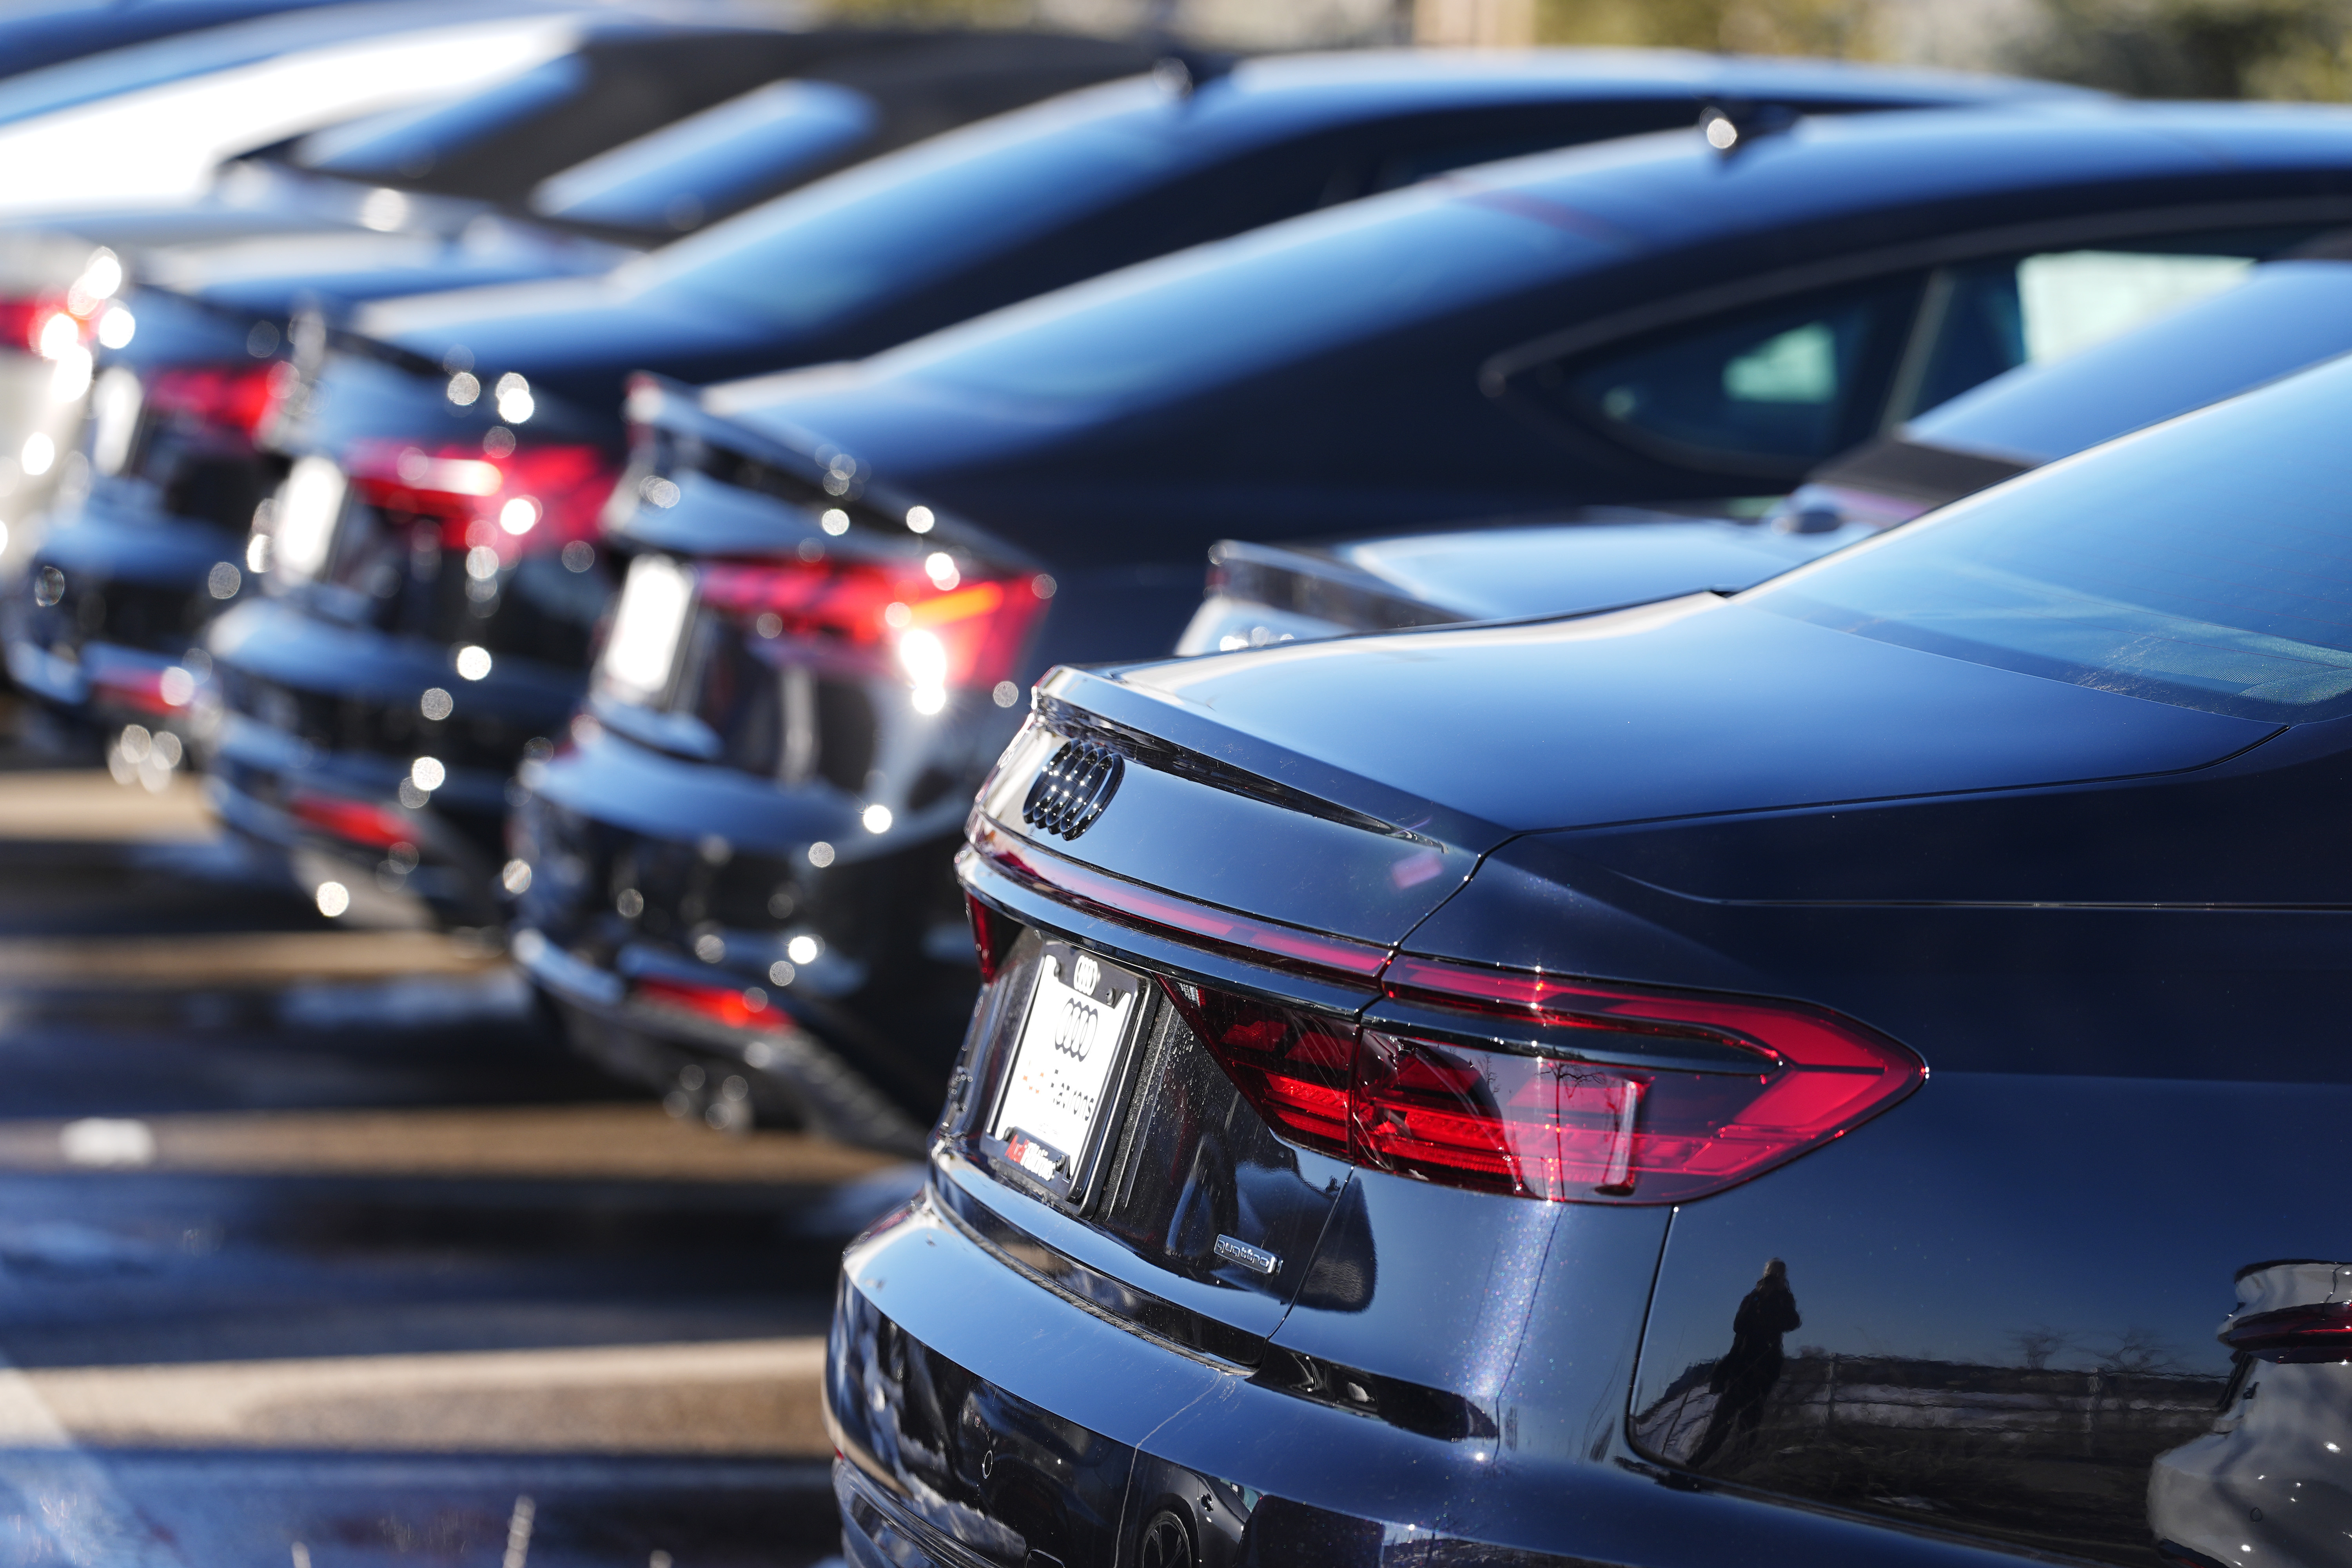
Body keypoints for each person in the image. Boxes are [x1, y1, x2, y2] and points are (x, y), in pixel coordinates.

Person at [1690, 1258, 1802, 1468]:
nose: (1773, 1278)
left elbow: (1792, 1322)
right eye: (1771, 1273)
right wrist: (1758, 1298)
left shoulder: (1784, 1300)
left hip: (1764, 1368)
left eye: (1778, 1275)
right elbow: (1739, 1325)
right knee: (1723, 1417)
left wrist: (1779, 1299)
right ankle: (1697, 1462)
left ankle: (1736, 1469)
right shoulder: (1753, 1297)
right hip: (1742, 1365)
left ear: (1784, 1277)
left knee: (1750, 1422)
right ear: (1764, 1273)